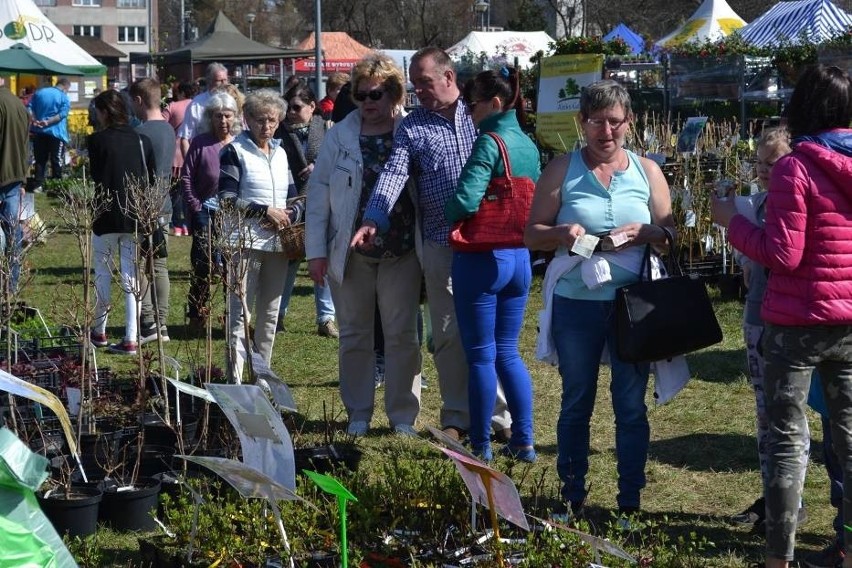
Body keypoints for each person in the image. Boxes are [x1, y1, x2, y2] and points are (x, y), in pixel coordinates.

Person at [711, 64, 852, 568]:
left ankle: (779, 558)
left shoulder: (797, 167)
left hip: (796, 322)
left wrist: (732, 224)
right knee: (850, 439)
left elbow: (783, 254)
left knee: (786, 441)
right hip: (849, 321)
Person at [523, 80, 674, 518]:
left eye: (614, 121)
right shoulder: (560, 169)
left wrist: (648, 232)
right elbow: (531, 234)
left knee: (630, 404)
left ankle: (630, 501)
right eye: (595, 121)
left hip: (634, 304)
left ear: (629, 122)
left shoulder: (648, 170)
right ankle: (571, 495)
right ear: (580, 123)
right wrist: (561, 233)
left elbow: (670, 237)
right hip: (577, 302)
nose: (605, 131)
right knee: (576, 400)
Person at [350, 46, 512, 442]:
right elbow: (394, 173)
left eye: (424, 82)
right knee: (447, 333)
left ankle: (498, 418)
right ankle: (457, 417)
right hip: (442, 244)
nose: (417, 90)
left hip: (490, 242)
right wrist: (374, 217)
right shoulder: (412, 126)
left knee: (491, 332)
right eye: (414, 82)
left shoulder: (480, 115)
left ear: (449, 77)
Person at [307, 54, 421, 437]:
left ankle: (403, 415)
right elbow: (319, 194)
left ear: (394, 92)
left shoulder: (410, 128)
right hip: (349, 251)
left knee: (401, 333)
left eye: (378, 93)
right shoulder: (339, 134)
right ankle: (358, 411)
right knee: (354, 333)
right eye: (361, 94)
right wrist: (316, 252)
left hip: (402, 250)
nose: (370, 102)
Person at [445, 68, 540, 462]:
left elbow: (466, 201)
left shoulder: (489, 142)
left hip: (482, 257)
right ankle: (525, 439)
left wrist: (446, 213)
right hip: (519, 257)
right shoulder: (529, 145)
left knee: (481, 355)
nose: (469, 112)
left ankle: (481, 444)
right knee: (508, 351)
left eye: (473, 104)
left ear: (496, 103)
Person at [727, 128, 809, 531]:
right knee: (766, 415)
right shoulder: (760, 202)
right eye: (758, 163)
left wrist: (734, 226)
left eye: (771, 164)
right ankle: (773, 494)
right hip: (757, 314)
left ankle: (787, 501)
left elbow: (780, 254)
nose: (763, 171)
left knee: (784, 419)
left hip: (777, 317)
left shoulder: (786, 202)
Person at [218, 89, 299, 383]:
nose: (267, 126)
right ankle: (235, 378)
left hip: (278, 243)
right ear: (248, 119)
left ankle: (262, 375)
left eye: (273, 120)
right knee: (240, 312)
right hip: (243, 241)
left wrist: (293, 214)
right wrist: (263, 211)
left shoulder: (281, 153)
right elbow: (226, 198)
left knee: (271, 313)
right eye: (261, 119)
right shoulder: (234, 151)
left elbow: (293, 196)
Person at [88, 89, 156, 355]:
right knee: (130, 275)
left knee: (102, 272)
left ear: (105, 112)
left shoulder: (97, 140)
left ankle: (100, 329)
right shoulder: (143, 140)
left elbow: (96, 175)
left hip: (105, 211)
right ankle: (130, 336)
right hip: (133, 213)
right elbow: (149, 177)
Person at [275, 83, 338, 339]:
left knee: (322, 261)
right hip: (290, 204)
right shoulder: (278, 132)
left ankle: (326, 318)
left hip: (322, 201)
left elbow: (337, 159)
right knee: (289, 261)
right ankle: (277, 315)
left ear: (312, 107)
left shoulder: (327, 129)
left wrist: (318, 165)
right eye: (287, 106)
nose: (290, 112)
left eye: (296, 107)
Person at [182, 92, 241, 332]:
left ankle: (231, 316)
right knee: (203, 264)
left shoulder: (240, 143)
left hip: (233, 212)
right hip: (205, 209)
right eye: (218, 116)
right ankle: (197, 312)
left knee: (232, 265)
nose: (223, 121)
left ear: (235, 117)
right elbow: (186, 178)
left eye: (227, 116)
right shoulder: (200, 142)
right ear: (211, 117)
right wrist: (196, 207)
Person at [130, 77, 176, 346]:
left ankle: (148, 321)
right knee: (159, 266)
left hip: (144, 206)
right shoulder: (169, 129)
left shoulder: (141, 133)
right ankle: (163, 322)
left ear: (139, 100)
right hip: (164, 205)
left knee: (138, 267)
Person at [0, 77, 29, 292]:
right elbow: (25, 142)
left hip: (4, 174)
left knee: (11, 233)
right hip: (15, 174)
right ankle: (12, 284)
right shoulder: (18, 103)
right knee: (13, 233)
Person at [163, 81, 197, 236]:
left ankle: (177, 225)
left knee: (175, 192)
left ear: (181, 92)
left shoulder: (173, 106)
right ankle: (188, 224)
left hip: (175, 153)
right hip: (193, 152)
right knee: (189, 192)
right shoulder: (198, 106)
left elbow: (162, 124)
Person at [28, 77, 71, 192]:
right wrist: (48, 122)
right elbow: (62, 114)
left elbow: (29, 108)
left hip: (39, 131)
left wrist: (35, 120)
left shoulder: (39, 93)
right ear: (66, 87)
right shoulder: (63, 96)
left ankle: (38, 184)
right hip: (56, 132)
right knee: (56, 159)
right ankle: (57, 185)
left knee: (40, 159)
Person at [178, 63, 229, 158]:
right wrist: (190, 167)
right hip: (205, 157)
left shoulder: (232, 101)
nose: (224, 84)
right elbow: (185, 138)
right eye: (219, 81)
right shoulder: (197, 104)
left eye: (225, 80)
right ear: (209, 81)